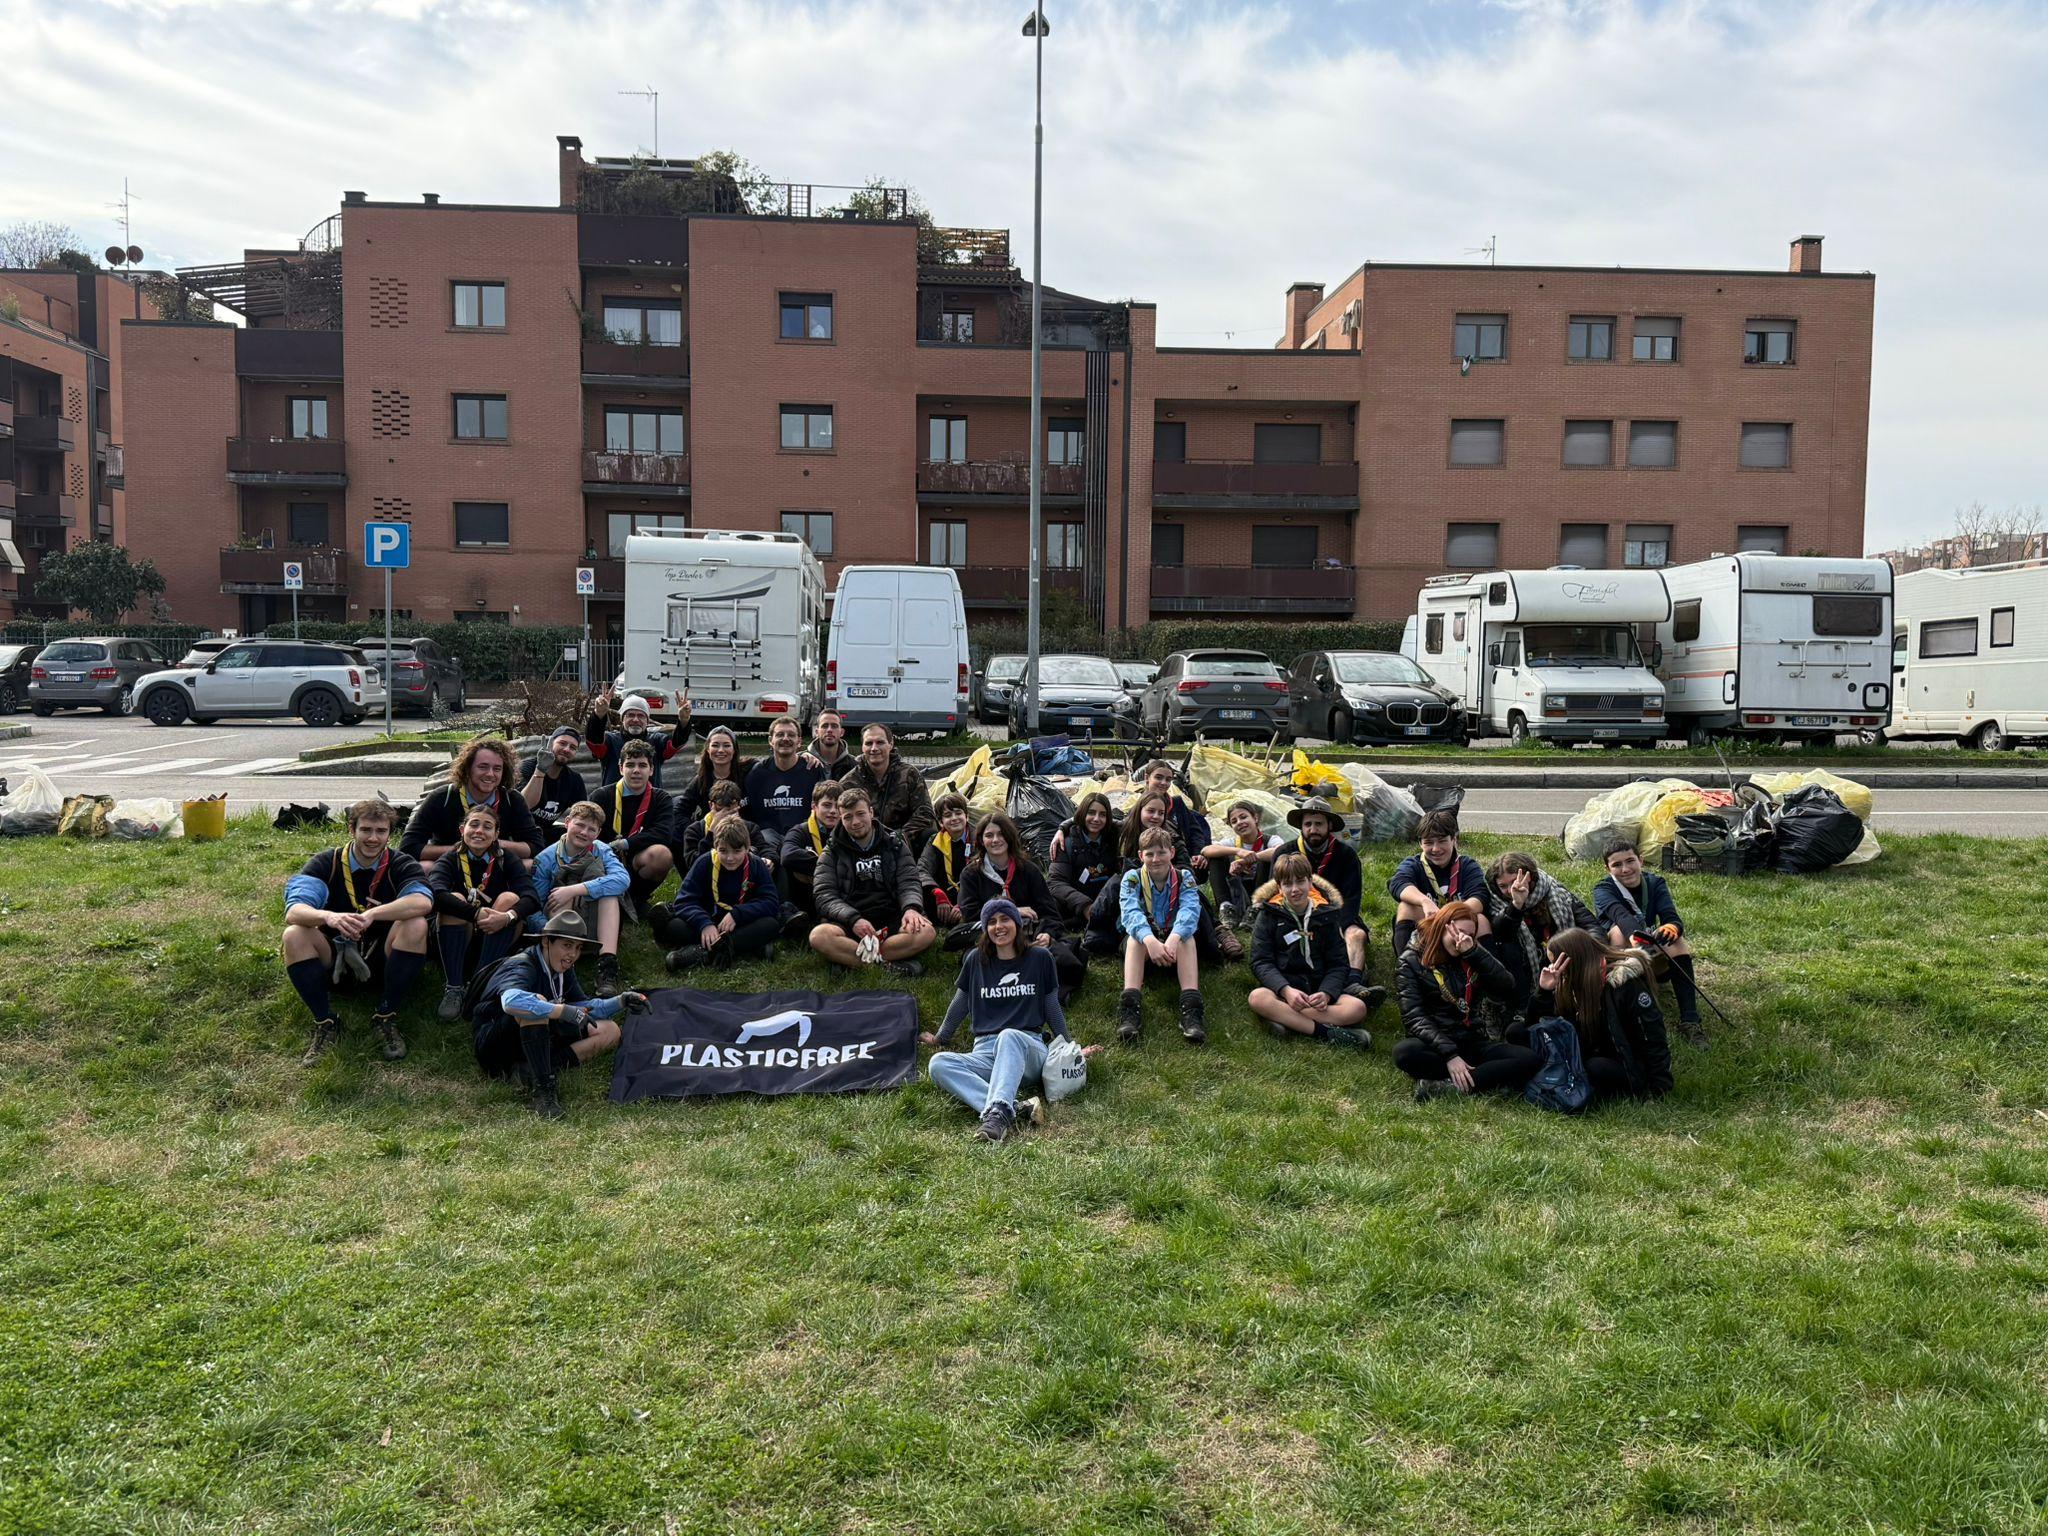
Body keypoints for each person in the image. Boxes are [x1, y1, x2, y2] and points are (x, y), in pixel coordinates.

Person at [921, 898, 1101, 1144]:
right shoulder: (975, 960)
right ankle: (1014, 1107)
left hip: (1027, 1049)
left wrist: (1071, 1048)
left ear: (1017, 924)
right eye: (992, 922)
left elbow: (1051, 1007)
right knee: (938, 1064)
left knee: (1009, 1035)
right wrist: (940, 1038)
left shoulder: (1040, 958)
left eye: (1005, 919)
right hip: (986, 1052)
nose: (999, 926)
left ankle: (998, 1118)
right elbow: (960, 1004)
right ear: (986, 929)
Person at [283, 797, 435, 1064]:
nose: (373, 838)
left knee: (416, 924)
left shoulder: (401, 863)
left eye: (381, 831)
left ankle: (385, 1016)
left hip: (383, 960)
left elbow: (422, 901)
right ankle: (326, 1022)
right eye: (366, 830)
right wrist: (329, 917)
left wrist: (373, 914)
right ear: (351, 830)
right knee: (294, 934)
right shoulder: (326, 862)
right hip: (335, 958)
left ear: (390, 834)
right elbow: (294, 911)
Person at [469, 909, 643, 1120]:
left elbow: (583, 1006)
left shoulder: (563, 968)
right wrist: (562, 1010)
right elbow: (511, 1001)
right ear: (546, 942)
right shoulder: (522, 964)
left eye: (578, 948)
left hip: (538, 1035)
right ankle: (543, 1092)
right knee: (536, 1003)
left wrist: (621, 1001)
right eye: (567, 946)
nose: (573, 955)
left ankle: (531, 1070)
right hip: (495, 1047)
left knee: (610, 1030)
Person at [1391, 899, 1538, 1103]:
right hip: (1435, 1044)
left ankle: (1450, 1086)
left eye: (1469, 935)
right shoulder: (1410, 961)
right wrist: (1450, 1055)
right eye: (1457, 931)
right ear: (1441, 927)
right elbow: (1414, 1017)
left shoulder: (1470, 952)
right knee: (1404, 1053)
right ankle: (1487, 1078)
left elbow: (1506, 985)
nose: (1461, 939)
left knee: (1529, 1058)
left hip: (1470, 1040)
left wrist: (1474, 952)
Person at [1530, 928, 1674, 1104]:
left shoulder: (1625, 984)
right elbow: (1537, 1027)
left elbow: (1652, 1036)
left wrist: (1660, 1086)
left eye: (1557, 963)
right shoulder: (1569, 983)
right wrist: (1543, 991)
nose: (1555, 968)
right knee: (1516, 1032)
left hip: (1626, 1062)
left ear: (1574, 961)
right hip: (1588, 1053)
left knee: (1596, 1067)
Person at [953, 811, 1086, 1001]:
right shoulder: (971, 874)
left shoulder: (1028, 870)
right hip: (992, 938)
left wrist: (1046, 935)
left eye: (1001, 834)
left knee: (1057, 956)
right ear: (981, 840)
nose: (995, 840)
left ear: (1009, 836)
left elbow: (1050, 912)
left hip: (1027, 937)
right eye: (989, 835)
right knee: (974, 959)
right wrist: (1012, 912)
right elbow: (971, 914)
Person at [1246, 851, 1373, 1049]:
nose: (1295, 889)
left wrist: (1326, 993)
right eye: (1287, 884)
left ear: (1310, 882)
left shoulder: (1327, 915)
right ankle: (1326, 1032)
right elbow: (1260, 961)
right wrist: (1286, 991)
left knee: (1357, 1008)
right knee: (1257, 998)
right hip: (1284, 990)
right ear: (1279, 887)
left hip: (1317, 990)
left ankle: (1286, 1019)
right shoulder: (1268, 915)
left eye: (1300, 882)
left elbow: (1339, 964)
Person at [809, 786, 938, 977]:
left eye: (860, 814)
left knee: (926, 932)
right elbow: (824, 894)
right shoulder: (831, 851)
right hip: (850, 922)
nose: (855, 822)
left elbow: (909, 881)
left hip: (891, 916)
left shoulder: (894, 843)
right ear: (841, 819)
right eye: (848, 817)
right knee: (819, 937)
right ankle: (887, 964)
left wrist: (911, 908)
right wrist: (854, 919)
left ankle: (852, 960)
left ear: (871, 812)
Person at [427, 803, 539, 1021]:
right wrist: (475, 914)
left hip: (494, 935)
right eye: (474, 825)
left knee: (510, 899)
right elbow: (435, 893)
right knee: (454, 899)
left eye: (487, 827)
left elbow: (531, 897)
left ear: (496, 834)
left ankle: (480, 982)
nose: (479, 831)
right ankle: (454, 987)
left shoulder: (506, 859)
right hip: (456, 936)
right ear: (462, 830)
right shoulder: (450, 858)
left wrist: (506, 917)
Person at [1593, 839, 1705, 1047]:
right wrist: (1636, 937)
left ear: (1641, 860)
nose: (1625, 869)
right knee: (1617, 932)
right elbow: (1621, 916)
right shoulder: (1603, 889)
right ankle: (1623, 1010)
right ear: (1607, 869)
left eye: (1630, 861)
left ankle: (1690, 1020)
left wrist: (1672, 927)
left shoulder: (1655, 883)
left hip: (1652, 959)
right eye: (1617, 865)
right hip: (1622, 958)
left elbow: (1671, 916)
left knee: (1676, 942)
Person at [1283, 798, 1381, 1006]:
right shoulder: (1285, 853)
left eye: (1319, 824)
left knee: (1356, 935)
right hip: (1296, 917)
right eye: (1308, 824)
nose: (1313, 829)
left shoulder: (1347, 855)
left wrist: (1337, 926)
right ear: (1301, 826)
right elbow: (1276, 896)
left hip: (1336, 917)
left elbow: (1352, 899)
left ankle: (1353, 983)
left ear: (1329, 826)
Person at [1484, 849, 1599, 1027]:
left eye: (1514, 881)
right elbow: (1501, 933)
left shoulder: (1553, 891)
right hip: (1522, 970)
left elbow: (1589, 923)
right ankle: (1521, 1009)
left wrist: (1598, 954)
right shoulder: (1495, 902)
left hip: (1557, 959)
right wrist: (1516, 905)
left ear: (1529, 877)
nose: (1510, 889)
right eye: (1503, 886)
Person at [528, 800, 629, 997]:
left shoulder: (601, 849)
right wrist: (546, 933)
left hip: (595, 920)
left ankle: (607, 966)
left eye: (591, 829)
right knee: (558, 896)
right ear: (567, 822)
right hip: (559, 924)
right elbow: (534, 905)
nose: (584, 832)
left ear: (598, 833)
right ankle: (561, 964)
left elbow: (622, 879)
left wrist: (575, 890)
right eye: (580, 825)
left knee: (609, 895)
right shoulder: (545, 859)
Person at [1116, 826, 1206, 1045]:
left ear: (1172, 853)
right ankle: (1130, 1010)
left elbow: (1190, 910)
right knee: (1136, 940)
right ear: (1141, 856)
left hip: (1173, 943)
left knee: (1187, 939)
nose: (1156, 859)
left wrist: (1174, 938)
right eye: (1149, 854)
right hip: (1145, 944)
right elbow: (1130, 912)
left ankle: (1191, 1010)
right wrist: (1150, 940)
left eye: (1161, 852)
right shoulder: (1132, 878)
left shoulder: (1184, 877)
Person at [659, 818, 782, 971]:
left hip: (740, 923)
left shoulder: (756, 864)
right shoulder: (704, 862)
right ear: (715, 847)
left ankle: (702, 952)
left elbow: (771, 902)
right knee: (674, 926)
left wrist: (737, 914)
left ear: (747, 848)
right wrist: (704, 924)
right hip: (709, 919)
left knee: (770, 925)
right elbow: (684, 901)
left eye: (737, 851)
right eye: (723, 851)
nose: (730, 858)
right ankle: (745, 946)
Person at [400, 736, 538, 861]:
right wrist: (461, 849)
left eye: (497, 769)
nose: (490, 774)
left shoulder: (511, 799)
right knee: (425, 867)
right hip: (450, 866)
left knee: (529, 865)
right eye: (483, 767)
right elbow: (408, 847)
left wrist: (496, 844)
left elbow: (535, 846)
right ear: (467, 768)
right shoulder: (442, 797)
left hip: (496, 866)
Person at [1386, 809, 1488, 956]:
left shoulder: (1467, 865)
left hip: (1459, 928)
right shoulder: (1414, 864)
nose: (1436, 849)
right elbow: (1398, 883)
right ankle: (1406, 964)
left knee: (1481, 920)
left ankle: (1487, 968)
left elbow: (1480, 897)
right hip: (1427, 927)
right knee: (1406, 907)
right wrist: (1425, 901)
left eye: (1442, 841)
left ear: (1454, 839)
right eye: (1428, 842)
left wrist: (1446, 916)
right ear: (1420, 843)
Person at [596, 739, 678, 919]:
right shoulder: (602, 796)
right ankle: (607, 898)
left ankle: (636, 899)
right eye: (630, 765)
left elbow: (664, 833)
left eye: (642, 765)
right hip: (604, 862)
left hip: (637, 861)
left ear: (651, 770)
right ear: (620, 768)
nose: (636, 770)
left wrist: (626, 843)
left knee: (661, 855)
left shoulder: (661, 798)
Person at [743, 717, 825, 869]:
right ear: (770, 740)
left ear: (799, 741)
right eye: (780, 734)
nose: (785, 738)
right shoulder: (757, 774)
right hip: (768, 837)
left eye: (791, 735)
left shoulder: (812, 770)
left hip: (802, 834)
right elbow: (749, 813)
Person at [585, 685, 692, 790]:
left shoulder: (657, 741)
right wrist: (599, 715)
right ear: (622, 720)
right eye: (631, 715)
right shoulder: (610, 741)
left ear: (647, 721)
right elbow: (594, 739)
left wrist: (683, 720)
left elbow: (676, 742)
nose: (636, 720)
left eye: (641, 716)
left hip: (650, 801)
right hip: (614, 800)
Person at [846, 723, 935, 849]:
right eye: (869, 743)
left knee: (929, 834)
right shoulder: (849, 782)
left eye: (880, 742)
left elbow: (925, 813)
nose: (874, 748)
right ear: (862, 747)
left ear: (891, 744)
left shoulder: (909, 774)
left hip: (903, 843)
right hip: (864, 843)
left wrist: (898, 837)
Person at [1203, 799, 1283, 927]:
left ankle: (1257, 908)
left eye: (1243, 817)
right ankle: (1226, 907)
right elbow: (1206, 850)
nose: (1240, 822)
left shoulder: (1271, 839)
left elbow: (1280, 851)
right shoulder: (1233, 843)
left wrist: (1251, 858)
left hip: (1262, 889)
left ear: (1255, 818)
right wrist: (1238, 851)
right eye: (1234, 821)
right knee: (1216, 857)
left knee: (1270, 857)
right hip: (1239, 890)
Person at [1048, 791, 1121, 932]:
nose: (1096, 819)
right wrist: (1086, 906)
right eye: (1091, 813)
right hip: (1076, 904)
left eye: (1102, 814)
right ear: (1082, 814)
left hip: (1107, 901)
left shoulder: (1115, 839)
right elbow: (1055, 883)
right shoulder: (1065, 843)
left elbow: (1134, 821)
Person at [778, 778, 843, 925]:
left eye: (838, 806)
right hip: (808, 894)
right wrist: (825, 865)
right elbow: (787, 856)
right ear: (814, 806)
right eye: (827, 805)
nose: (833, 811)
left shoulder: (849, 832)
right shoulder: (800, 831)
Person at [520, 725, 589, 845]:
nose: (567, 749)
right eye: (562, 743)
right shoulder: (528, 767)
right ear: (551, 743)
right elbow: (524, 805)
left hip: (543, 832)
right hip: (518, 830)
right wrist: (540, 769)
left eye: (572, 747)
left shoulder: (574, 780)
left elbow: (583, 813)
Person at [675, 727, 753, 831]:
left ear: (734, 749)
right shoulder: (701, 780)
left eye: (726, 745)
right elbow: (679, 812)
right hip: (712, 833)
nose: (721, 750)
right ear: (708, 749)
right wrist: (698, 831)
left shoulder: (749, 771)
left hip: (745, 834)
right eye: (715, 745)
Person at [919, 793, 974, 927]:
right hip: (946, 895)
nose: (954, 818)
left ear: (966, 816)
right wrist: (937, 892)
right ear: (940, 822)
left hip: (972, 894)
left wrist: (963, 903)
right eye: (948, 815)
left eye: (958, 813)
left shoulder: (979, 838)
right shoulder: (935, 841)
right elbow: (922, 869)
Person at [679, 778, 749, 865]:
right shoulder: (694, 831)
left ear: (738, 805)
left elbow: (761, 854)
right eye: (720, 810)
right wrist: (712, 831)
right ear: (711, 805)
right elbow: (694, 864)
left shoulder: (750, 828)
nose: (724, 815)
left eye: (730, 810)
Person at [808, 709, 857, 777]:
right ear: (817, 732)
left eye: (834, 726)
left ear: (842, 732)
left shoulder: (854, 766)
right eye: (825, 726)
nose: (829, 730)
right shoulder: (803, 760)